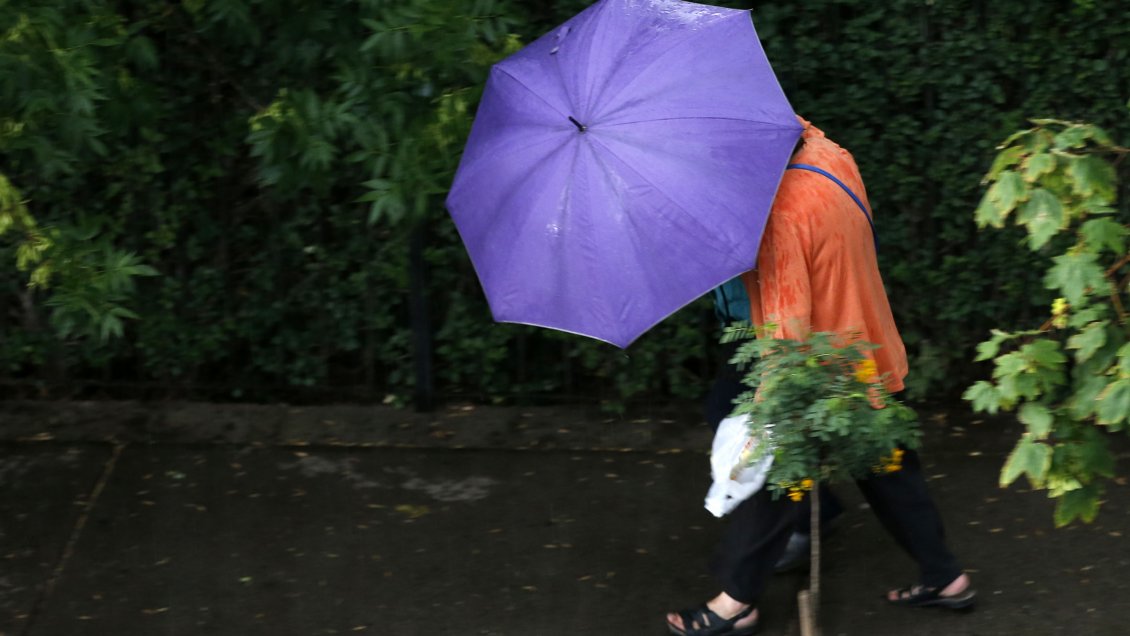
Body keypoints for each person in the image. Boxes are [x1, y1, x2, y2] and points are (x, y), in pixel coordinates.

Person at [666, 118, 974, 636]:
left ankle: (734, 603)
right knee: (888, 466)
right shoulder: (828, 153)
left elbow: (786, 335)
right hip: (866, 345)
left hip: (820, 371)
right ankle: (947, 578)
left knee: (776, 476)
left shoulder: (779, 217)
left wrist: (767, 415)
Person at [704, 277, 843, 573]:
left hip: (769, 326)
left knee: (756, 426)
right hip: (744, 324)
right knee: (730, 414)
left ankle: (802, 519)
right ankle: (813, 511)